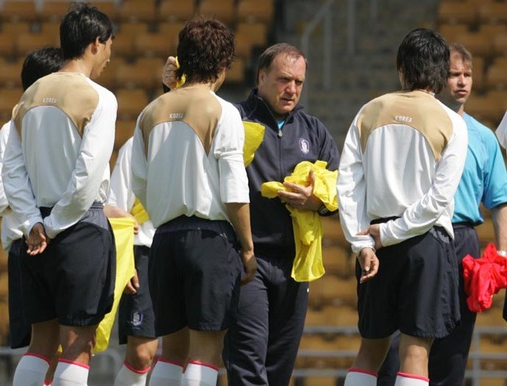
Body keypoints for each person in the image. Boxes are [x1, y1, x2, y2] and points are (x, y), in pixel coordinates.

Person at [163, 42, 340, 385]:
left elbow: (341, 190)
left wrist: (316, 201)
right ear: (261, 76)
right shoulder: (232, 117)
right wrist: (170, 89)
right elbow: (185, 127)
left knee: (279, 371)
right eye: (284, 79)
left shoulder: (314, 130)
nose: (291, 89)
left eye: (299, 82)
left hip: (296, 264)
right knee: (247, 365)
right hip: (246, 260)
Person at [337, 28, 469, 386]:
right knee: (415, 353)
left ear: (401, 69)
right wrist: (391, 234)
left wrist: (363, 243)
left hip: (375, 244)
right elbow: (439, 199)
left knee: (369, 350)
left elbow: (346, 185)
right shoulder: (452, 123)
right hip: (424, 243)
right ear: (442, 75)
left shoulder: (369, 111)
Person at [131, 16, 256, 386]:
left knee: (171, 350)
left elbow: (139, 180)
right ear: (223, 66)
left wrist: (166, 209)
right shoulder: (223, 111)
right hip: (209, 240)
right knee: (205, 353)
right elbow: (235, 189)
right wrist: (247, 248)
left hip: (165, 239)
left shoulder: (149, 112)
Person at [376, 43, 507, 386]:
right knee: (402, 340)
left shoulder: (484, 138)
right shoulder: (410, 125)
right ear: (437, 76)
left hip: (463, 240)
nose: (461, 82)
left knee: (454, 345)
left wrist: (502, 256)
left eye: (468, 75)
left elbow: (499, 200)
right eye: (453, 74)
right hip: (417, 232)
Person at [1, 3, 117, 386]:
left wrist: (33, 221)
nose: (110, 56)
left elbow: (12, 170)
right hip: (77, 228)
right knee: (77, 345)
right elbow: (87, 175)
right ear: (96, 42)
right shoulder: (100, 97)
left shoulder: (31, 93)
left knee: (40, 345)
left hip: (33, 233)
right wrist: (50, 226)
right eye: (110, 45)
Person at [0, 46, 64, 385]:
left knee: (58, 345)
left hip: (51, 239)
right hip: (29, 244)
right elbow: (3, 192)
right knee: (43, 346)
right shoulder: (12, 129)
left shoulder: (51, 127)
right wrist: (36, 224)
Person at [106, 137, 158, 386]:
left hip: (190, 247)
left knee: (187, 350)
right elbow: (114, 206)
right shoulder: (139, 144)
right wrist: (125, 262)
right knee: (141, 354)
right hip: (144, 252)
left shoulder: (206, 139)